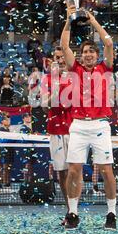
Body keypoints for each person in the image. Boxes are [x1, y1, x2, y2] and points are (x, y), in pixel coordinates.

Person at [60, 4, 117, 230]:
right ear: (81, 56)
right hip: (78, 126)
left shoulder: (105, 68)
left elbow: (109, 42)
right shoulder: (76, 70)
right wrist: (68, 20)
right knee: (74, 170)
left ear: (96, 54)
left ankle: (111, 214)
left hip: (101, 125)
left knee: (106, 170)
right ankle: (73, 213)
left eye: (92, 51)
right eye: (85, 52)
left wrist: (93, 20)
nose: (89, 54)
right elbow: (64, 45)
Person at [41, 47, 73, 224]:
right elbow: (45, 105)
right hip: (55, 130)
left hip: (74, 130)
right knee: (61, 173)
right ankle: (70, 210)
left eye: (62, 57)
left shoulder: (75, 77)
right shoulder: (47, 79)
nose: (60, 60)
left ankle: (74, 209)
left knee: (74, 171)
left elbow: (74, 103)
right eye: (57, 57)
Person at [0, 114, 15, 193]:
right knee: (5, 168)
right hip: (4, 151)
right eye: (7, 120)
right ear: (2, 121)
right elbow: (2, 141)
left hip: (10, 150)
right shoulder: (1, 130)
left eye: (9, 120)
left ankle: (8, 184)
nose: (9, 121)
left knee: (8, 168)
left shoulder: (8, 130)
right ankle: (4, 184)